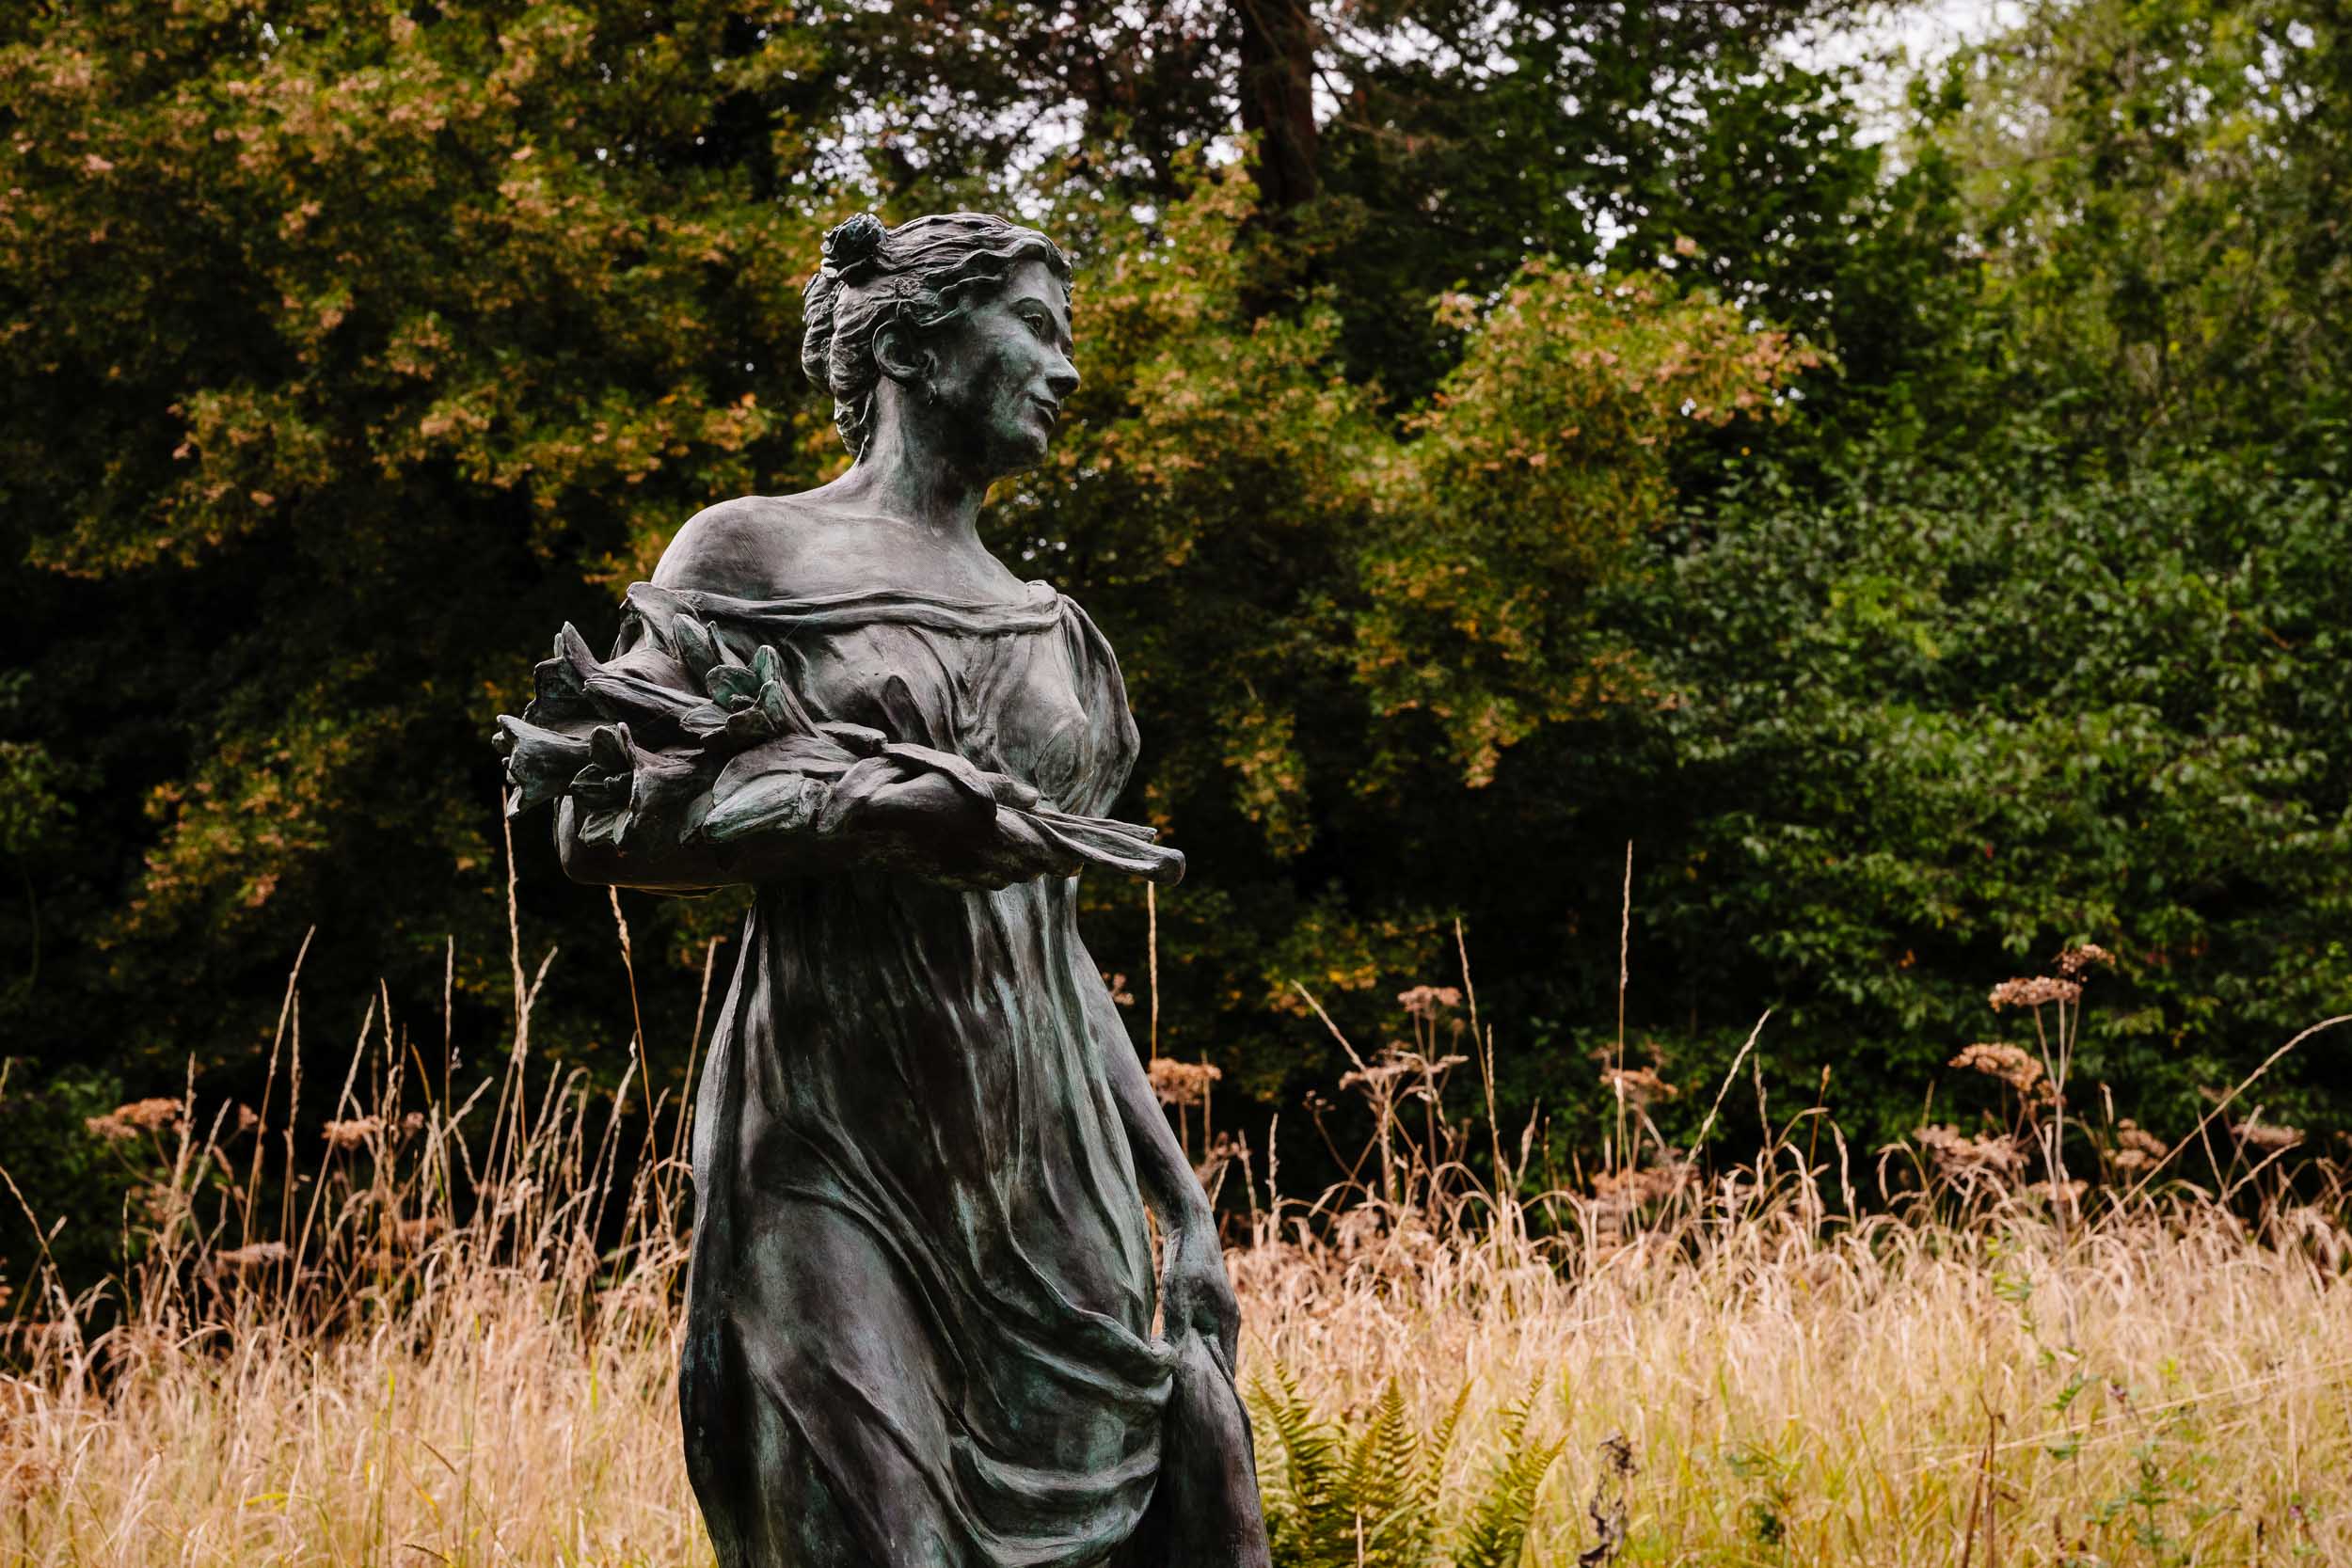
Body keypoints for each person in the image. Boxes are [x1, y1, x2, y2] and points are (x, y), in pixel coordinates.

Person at [495, 211, 1268, 1567]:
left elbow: (1058, 952)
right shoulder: (749, 558)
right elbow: (596, 819)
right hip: (830, 1149)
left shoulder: (1055, 634)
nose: (1066, 369)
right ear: (912, 341)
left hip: (1049, 1172)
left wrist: (1182, 1202)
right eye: (1036, 326)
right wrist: (853, 809)